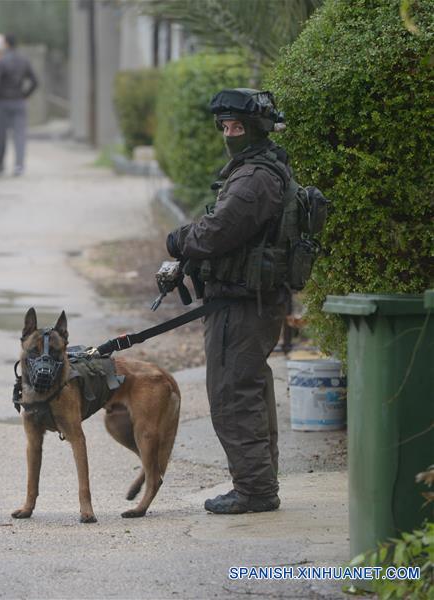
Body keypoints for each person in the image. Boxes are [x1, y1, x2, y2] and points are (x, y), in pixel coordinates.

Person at [165, 89, 291, 515]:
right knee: (248, 389)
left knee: (234, 395)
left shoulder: (255, 178)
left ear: (256, 129)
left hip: (242, 305)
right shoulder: (257, 169)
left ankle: (255, 490)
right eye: (225, 127)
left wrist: (179, 238)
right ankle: (260, 483)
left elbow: (216, 232)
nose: (229, 134)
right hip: (245, 301)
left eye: (237, 127)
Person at [0, 34, 38, 176]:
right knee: (20, 135)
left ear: (6, 44)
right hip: (19, 101)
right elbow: (35, 82)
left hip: (3, 102)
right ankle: (19, 165)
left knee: (1, 135)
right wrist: (25, 95)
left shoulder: (2, 61)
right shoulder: (24, 60)